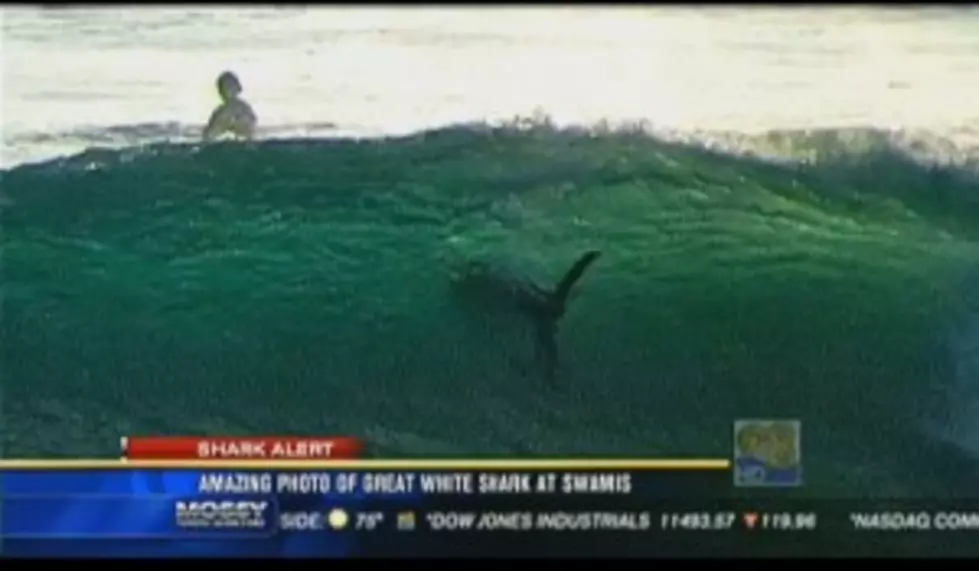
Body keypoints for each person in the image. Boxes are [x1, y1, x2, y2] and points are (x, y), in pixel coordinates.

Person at [203, 71, 257, 141]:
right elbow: (209, 134)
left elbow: (210, 134)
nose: (227, 90)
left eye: (229, 86)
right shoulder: (220, 111)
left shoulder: (242, 109)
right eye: (223, 87)